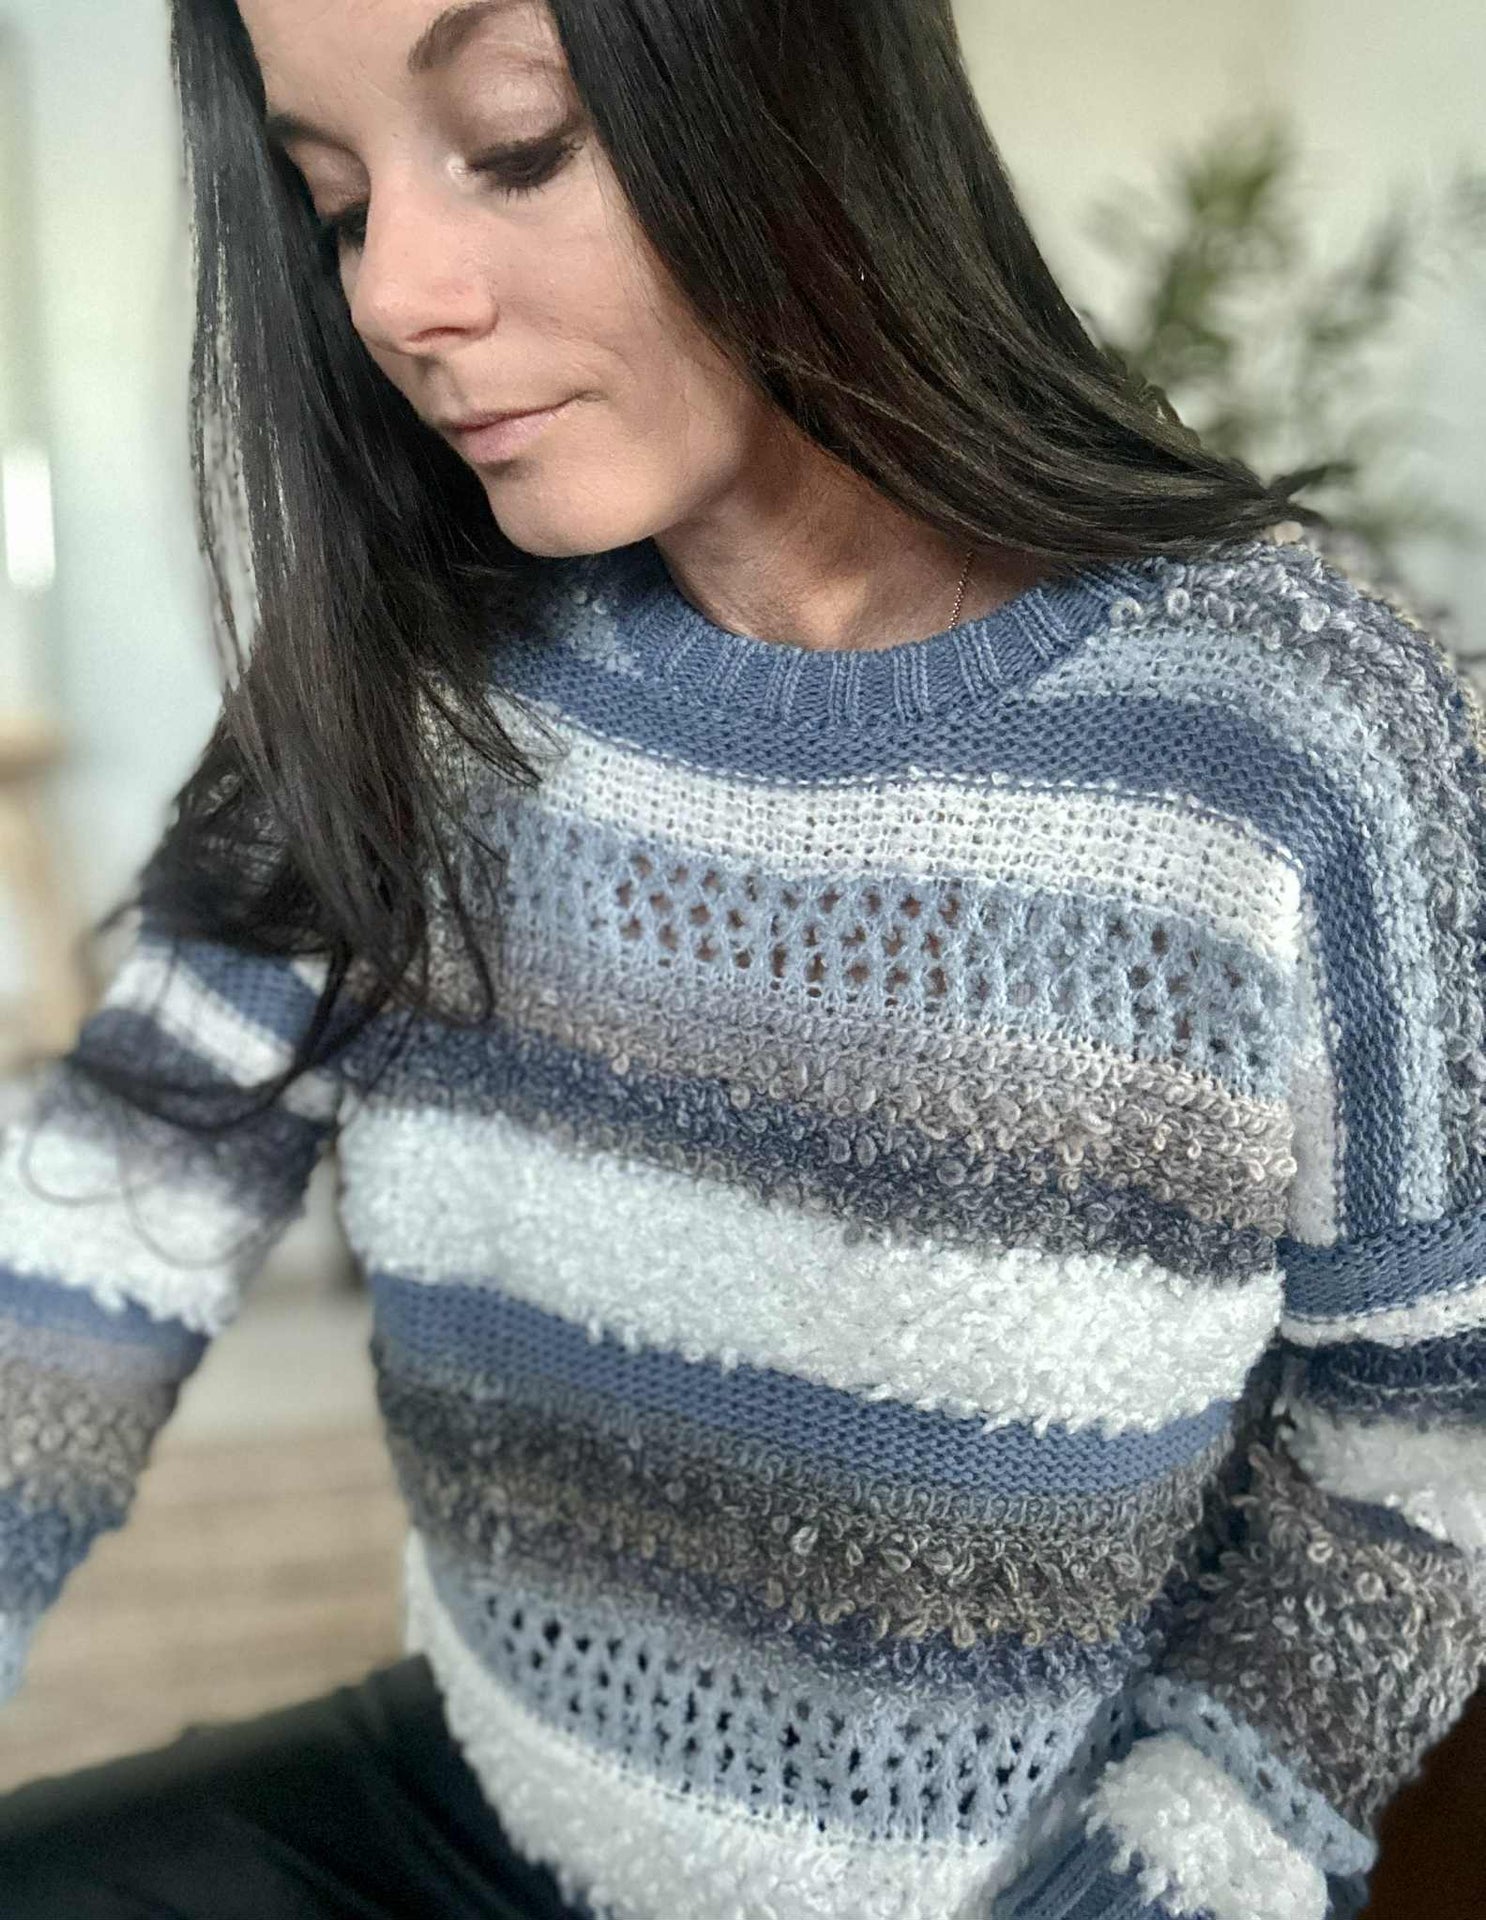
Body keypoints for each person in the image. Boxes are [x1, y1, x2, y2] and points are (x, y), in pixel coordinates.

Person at [1, 0, 1482, 1914]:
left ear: (798, 88)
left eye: (518, 145)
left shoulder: (1297, 735)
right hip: (469, 1802)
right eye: (339, 202)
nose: (396, 298)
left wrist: (1150, 1883)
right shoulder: (417, 678)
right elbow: (103, 1214)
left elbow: (1425, 1461)